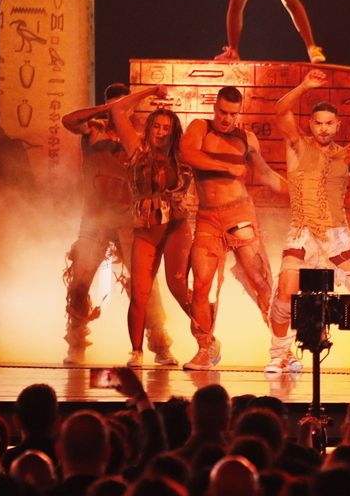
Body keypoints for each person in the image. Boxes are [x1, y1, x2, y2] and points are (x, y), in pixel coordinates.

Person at [265, 69, 350, 374]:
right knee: (286, 293)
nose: (324, 129)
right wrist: (305, 85)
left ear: (337, 125)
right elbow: (280, 110)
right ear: (310, 124)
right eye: (318, 123)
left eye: (329, 124)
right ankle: (279, 355)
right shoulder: (297, 145)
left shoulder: (347, 154)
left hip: (337, 234)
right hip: (302, 233)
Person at [60, 83, 176, 366]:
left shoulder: (138, 138)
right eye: (114, 105)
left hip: (128, 219)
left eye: (123, 105)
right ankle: (76, 342)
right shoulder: (94, 130)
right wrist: (108, 110)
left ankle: (159, 345)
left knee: (144, 283)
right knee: (79, 279)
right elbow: (69, 121)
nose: (117, 111)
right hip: (95, 218)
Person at [178, 86, 285, 370]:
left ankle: (282, 349)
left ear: (240, 113)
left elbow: (265, 174)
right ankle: (205, 348)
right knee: (201, 284)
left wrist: (300, 191)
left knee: (260, 280)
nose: (227, 119)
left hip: (240, 215)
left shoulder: (246, 139)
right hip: (208, 217)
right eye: (223, 112)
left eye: (233, 114)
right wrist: (227, 168)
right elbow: (188, 154)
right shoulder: (200, 128)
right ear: (215, 107)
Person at [108, 98, 194, 367]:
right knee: (140, 292)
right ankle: (136, 351)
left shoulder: (183, 157)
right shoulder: (137, 150)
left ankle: (206, 340)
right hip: (146, 228)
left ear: (174, 130)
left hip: (176, 227)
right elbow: (117, 111)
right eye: (156, 126)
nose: (160, 131)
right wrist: (150, 91)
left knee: (179, 287)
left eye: (166, 127)